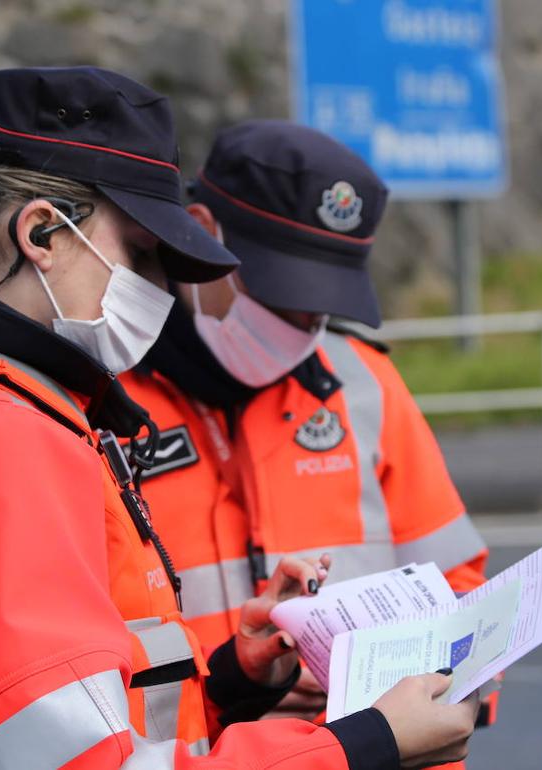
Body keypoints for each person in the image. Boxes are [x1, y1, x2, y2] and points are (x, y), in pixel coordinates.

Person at [0, 67, 479, 770]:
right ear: (42, 234)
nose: (163, 289)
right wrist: (363, 743)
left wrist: (230, 680)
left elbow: (77, 719)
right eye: (143, 253)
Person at [120, 120, 492, 721]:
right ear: (202, 235)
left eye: (322, 302)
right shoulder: (99, 403)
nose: (302, 323)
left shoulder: (363, 380)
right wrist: (235, 684)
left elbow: (461, 588)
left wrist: (437, 684)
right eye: (283, 294)